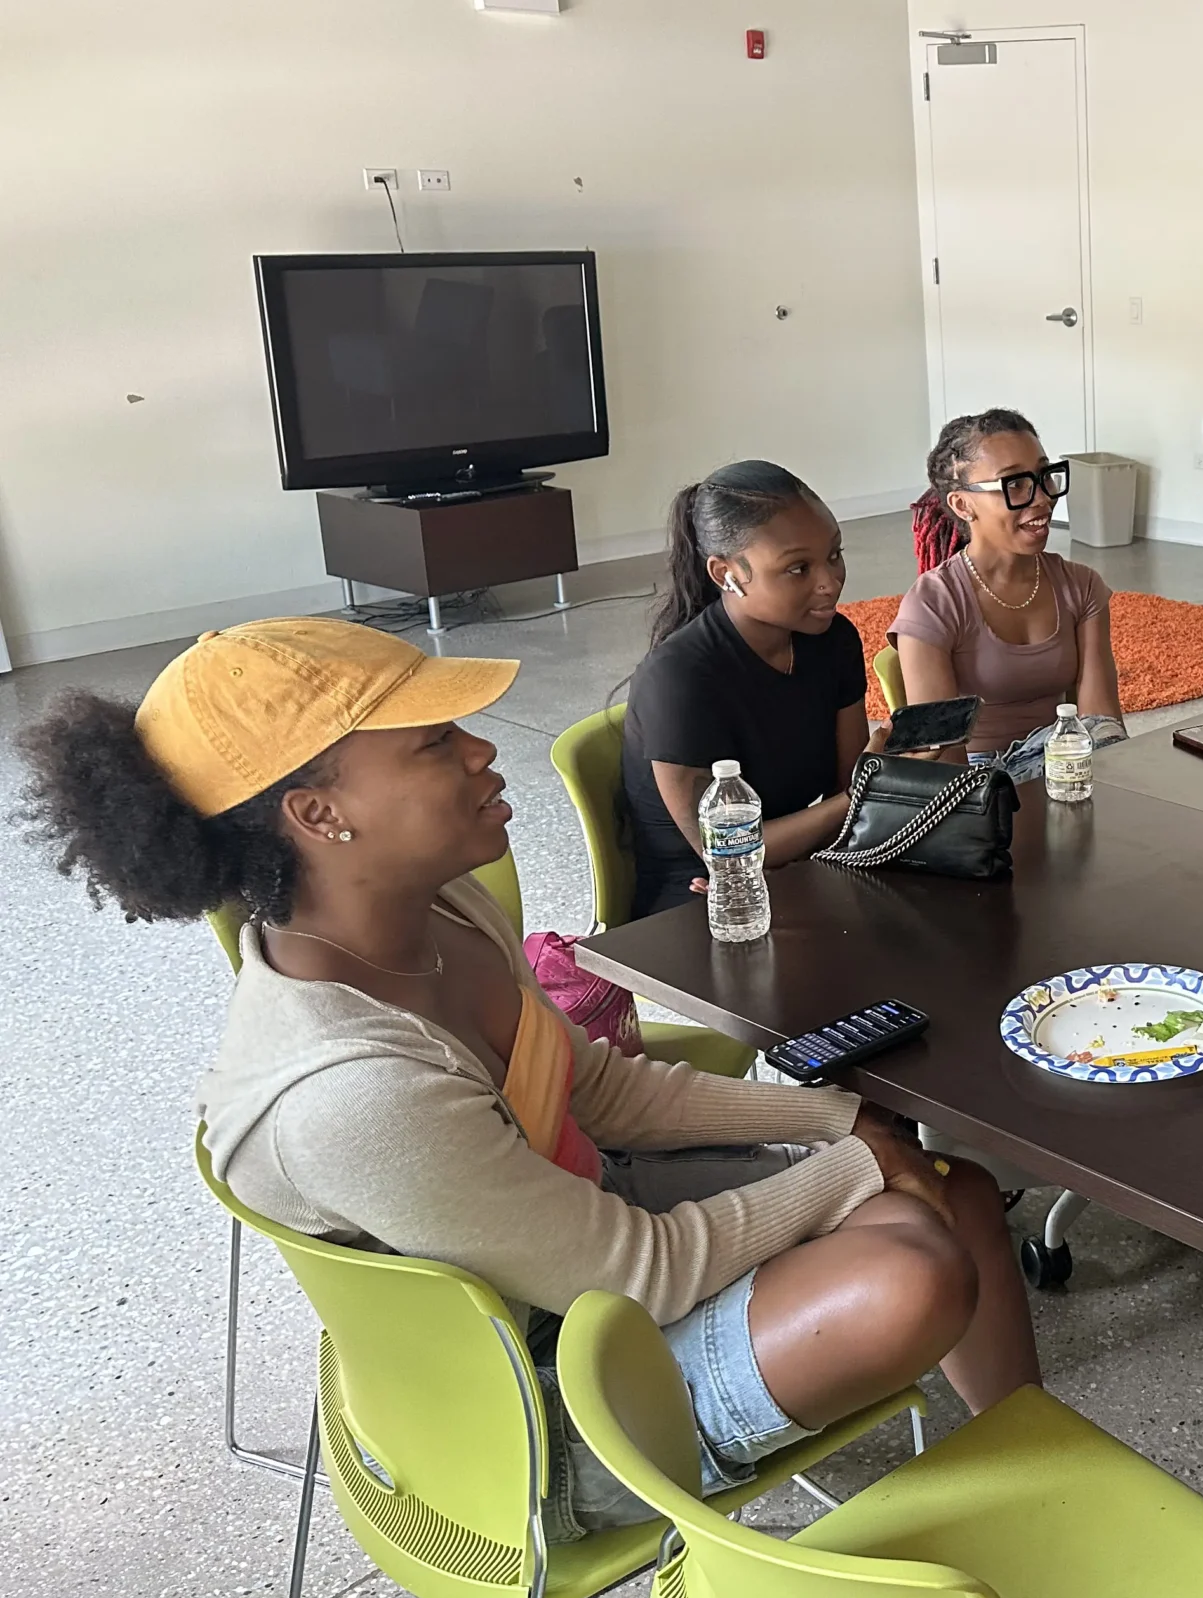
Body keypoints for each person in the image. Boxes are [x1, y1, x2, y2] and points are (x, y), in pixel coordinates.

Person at [18, 618, 1036, 1535]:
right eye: (431, 743)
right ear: (318, 814)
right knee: (914, 1264)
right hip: (531, 1410)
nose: (480, 749)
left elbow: (599, 1089)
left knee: (956, 1198)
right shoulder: (349, 1090)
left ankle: (1030, 1472)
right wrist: (854, 1159)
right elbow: (643, 1271)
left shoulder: (443, 909)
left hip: (567, 1235)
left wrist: (840, 1119)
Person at [623, 461, 878, 918]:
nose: (830, 581)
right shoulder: (679, 679)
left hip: (794, 873)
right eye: (798, 568)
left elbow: (852, 793)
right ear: (727, 573)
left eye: (834, 555)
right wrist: (868, 792)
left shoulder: (833, 640)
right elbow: (726, 854)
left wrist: (879, 779)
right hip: (697, 906)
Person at [898, 409, 1125, 772]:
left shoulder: (1082, 586)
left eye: (1043, 477)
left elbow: (1102, 724)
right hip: (979, 778)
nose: (1042, 499)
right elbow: (941, 757)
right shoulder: (933, 603)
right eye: (1015, 483)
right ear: (962, 503)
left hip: (1065, 758)